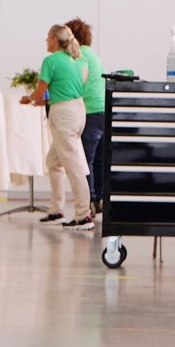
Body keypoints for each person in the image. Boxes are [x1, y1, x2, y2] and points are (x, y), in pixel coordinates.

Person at [25, 22, 94, 227]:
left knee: (73, 165)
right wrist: (41, 100)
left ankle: (83, 215)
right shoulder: (76, 61)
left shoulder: (51, 61)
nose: (46, 40)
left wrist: (29, 99)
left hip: (63, 115)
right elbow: (65, 89)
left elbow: (40, 90)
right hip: (77, 111)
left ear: (55, 40)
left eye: (48, 36)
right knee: (53, 162)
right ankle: (56, 210)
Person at [66, 17, 109, 208]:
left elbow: (79, 78)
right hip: (104, 110)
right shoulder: (93, 54)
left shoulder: (81, 55)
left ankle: (89, 200)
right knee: (99, 159)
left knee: (85, 159)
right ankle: (99, 199)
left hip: (90, 111)